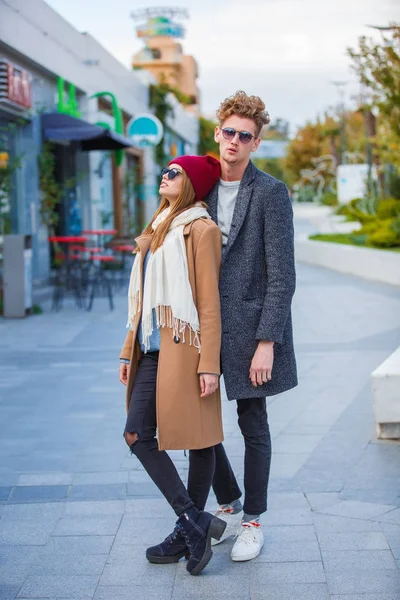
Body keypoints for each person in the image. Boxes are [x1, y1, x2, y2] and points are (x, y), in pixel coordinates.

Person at [119, 155, 226, 576]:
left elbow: (209, 305)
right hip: (150, 349)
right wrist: (127, 352)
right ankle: (193, 522)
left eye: (174, 172)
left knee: (199, 442)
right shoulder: (159, 226)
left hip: (185, 348)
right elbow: (141, 302)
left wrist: (209, 365)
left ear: (191, 184)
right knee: (136, 433)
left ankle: (188, 530)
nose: (164, 176)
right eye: (164, 169)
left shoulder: (202, 230)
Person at [207, 91, 297, 561]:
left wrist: (268, 342)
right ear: (217, 133)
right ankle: (226, 501)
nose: (235, 141)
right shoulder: (196, 188)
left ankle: (253, 521)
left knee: (252, 422)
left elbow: (283, 275)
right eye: (229, 132)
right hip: (202, 326)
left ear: (256, 143)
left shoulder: (270, 193)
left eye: (246, 136)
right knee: (198, 420)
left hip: (248, 326)